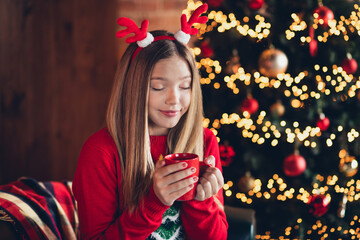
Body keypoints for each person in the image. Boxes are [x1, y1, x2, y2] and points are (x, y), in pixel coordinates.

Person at [72, 4, 228, 239]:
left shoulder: (204, 141)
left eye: (185, 86)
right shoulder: (101, 152)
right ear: (132, 88)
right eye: (158, 87)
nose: (174, 99)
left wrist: (201, 200)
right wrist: (154, 203)